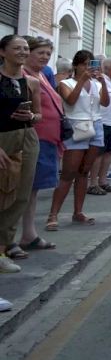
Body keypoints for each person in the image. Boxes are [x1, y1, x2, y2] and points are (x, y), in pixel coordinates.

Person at [47, 51, 107, 230]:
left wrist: (103, 82)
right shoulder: (65, 83)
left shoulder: (96, 84)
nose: (87, 68)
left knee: (84, 171)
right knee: (69, 172)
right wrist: (81, 81)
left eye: (90, 64)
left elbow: (105, 103)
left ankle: (78, 212)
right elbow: (71, 101)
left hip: (95, 124)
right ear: (75, 66)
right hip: (77, 124)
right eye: (84, 64)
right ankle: (53, 214)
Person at [0, 36, 41, 273]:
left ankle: (2, 250)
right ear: (3, 52)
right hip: (2, 139)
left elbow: (39, 115)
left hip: (27, 139)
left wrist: (32, 117)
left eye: (25, 48)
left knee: (20, 196)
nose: (23, 52)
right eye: (17, 48)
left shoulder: (32, 82)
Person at [18, 37, 59, 253]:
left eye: (48, 54)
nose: (45, 57)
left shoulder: (42, 75)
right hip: (33, 138)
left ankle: (29, 234)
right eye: (40, 53)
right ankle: (10, 239)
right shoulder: (23, 76)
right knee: (22, 190)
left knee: (32, 190)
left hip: (47, 139)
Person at [90, 57, 111, 195]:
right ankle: (93, 183)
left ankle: (103, 181)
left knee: (109, 152)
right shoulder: (99, 81)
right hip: (103, 121)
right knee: (98, 153)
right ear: (106, 68)